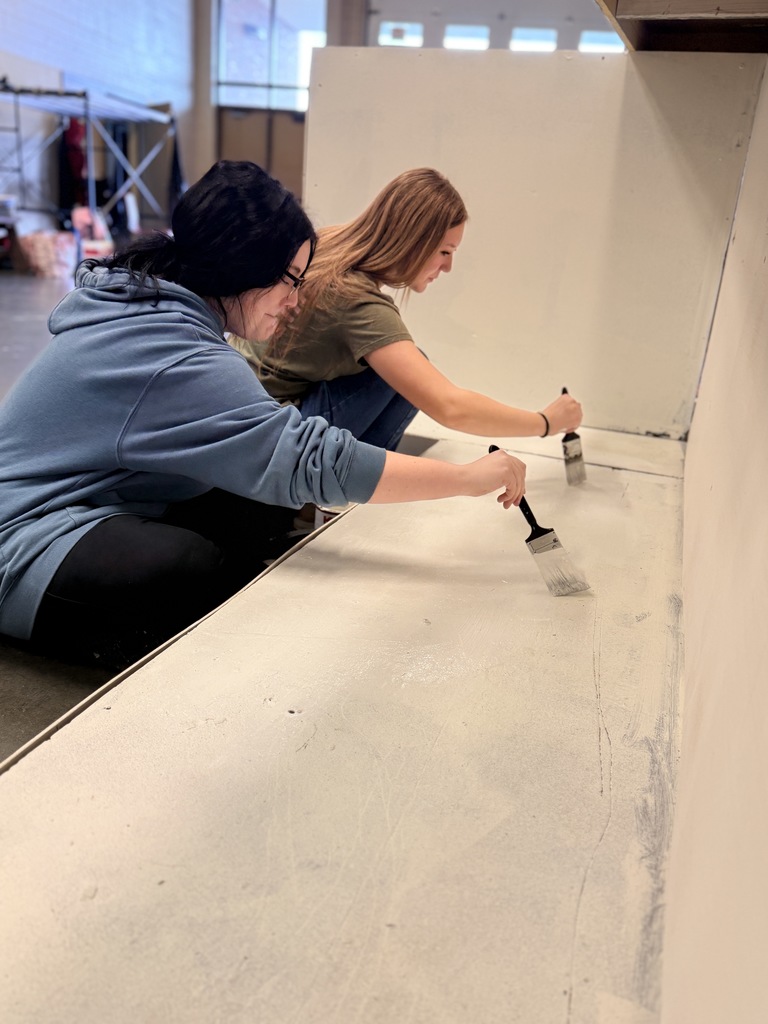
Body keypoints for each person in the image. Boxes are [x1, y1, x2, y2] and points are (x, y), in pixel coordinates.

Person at [0, 160, 526, 671]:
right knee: (188, 568)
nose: (296, 300)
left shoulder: (161, 312)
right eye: (291, 280)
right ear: (244, 268)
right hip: (25, 539)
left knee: (257, 509)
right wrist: (466, 478)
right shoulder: (176, 354)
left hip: (97, 498)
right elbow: (309, 458)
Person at [228, 167, 583, 452]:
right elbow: (451, 407)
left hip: (242, 408)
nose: (448, 267)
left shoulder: (331, 244)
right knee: (402, 375)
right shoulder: (356, 301)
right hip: (273, 435)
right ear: (414, 241)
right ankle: (346, 488)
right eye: (445, 252)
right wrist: (546, 422)